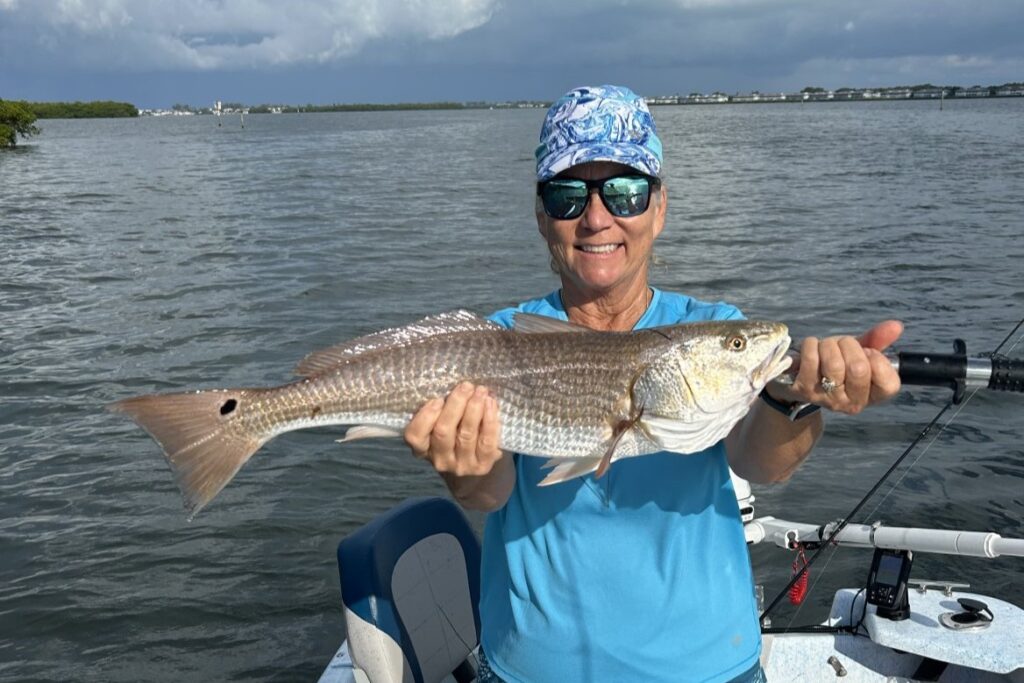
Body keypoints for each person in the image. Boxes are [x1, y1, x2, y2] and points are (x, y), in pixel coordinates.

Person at [404, 85, 902, 683]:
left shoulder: (712, 329)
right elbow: (488, 496)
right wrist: (461, 462)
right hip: (534, 670)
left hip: (710, 666)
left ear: (659, 208)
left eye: (624, 192)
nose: (596, 218)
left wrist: (790, 398)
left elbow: (762, 464)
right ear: (541, 218)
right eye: (567, 196)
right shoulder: (504, 340)